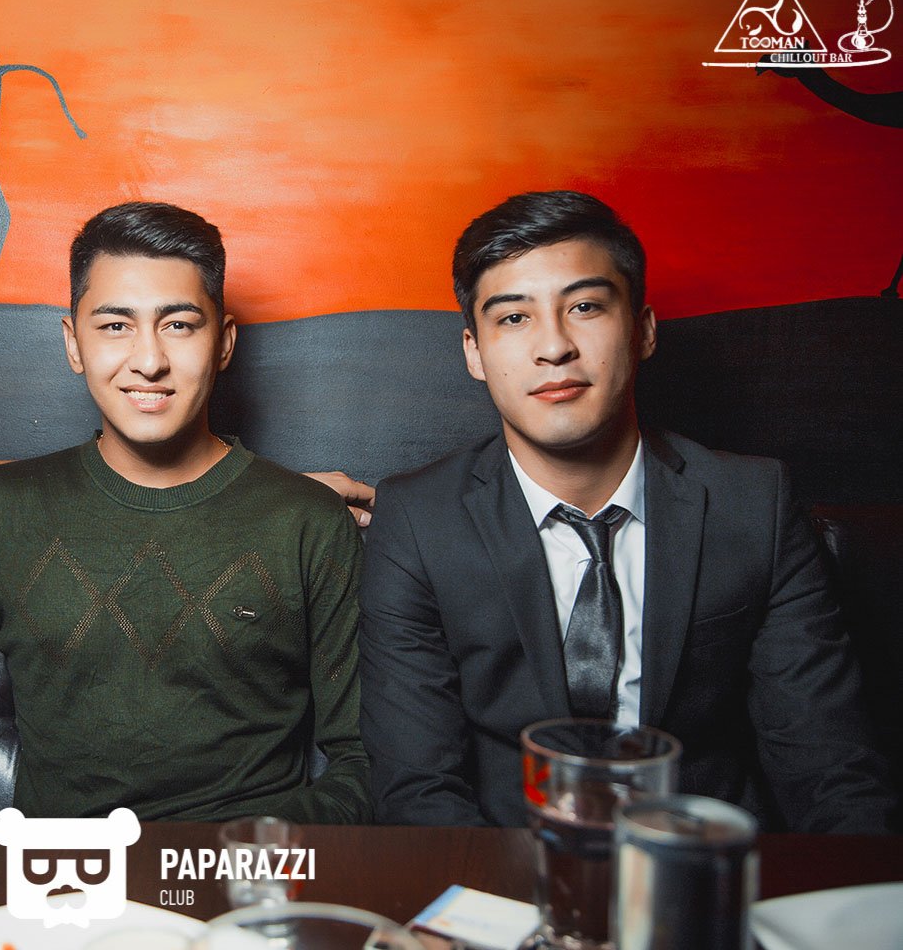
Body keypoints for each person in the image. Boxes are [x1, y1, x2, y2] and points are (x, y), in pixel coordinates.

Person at [359, 190, 896, 833]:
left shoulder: (754, 504)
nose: (554, 347)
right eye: (514, 318)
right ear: (474, 352)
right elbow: (418, 787)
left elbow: (831, 769)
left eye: (584, 307)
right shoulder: (418, 520)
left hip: (697, 860)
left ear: (642, 330)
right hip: (503, 865)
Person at [0, 201, 371, 822]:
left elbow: (362, 758)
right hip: (65, 873)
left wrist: (256, 858)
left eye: (178, 324)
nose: (148, 360)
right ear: (73, 343)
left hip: (240, 870)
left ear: (223, 342)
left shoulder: (307, 521)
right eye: (114, 326)